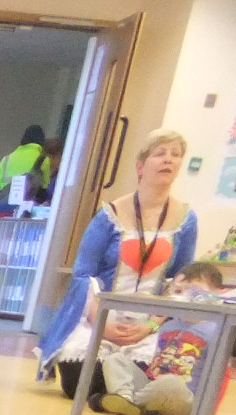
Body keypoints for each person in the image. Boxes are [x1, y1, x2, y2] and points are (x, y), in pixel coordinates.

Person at [38, 127, 200, 401]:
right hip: (101, 315)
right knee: (79, 381)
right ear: (140, 166)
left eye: (175, 154)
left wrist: (150, 326)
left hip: (149, 323)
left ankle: (124, 395)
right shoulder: (109, 215)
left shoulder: (186, 220)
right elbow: (83, 275)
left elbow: (182, 280)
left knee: (154, 371)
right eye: (160, 153)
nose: (168, 159)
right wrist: (101, 323)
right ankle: (121, 395)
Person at [98, 260, 227, 415]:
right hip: (152, 388)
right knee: (115, 359)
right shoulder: (168, 326)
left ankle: (132, 403)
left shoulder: (216, 330)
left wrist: (207, 411)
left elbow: (221, 376)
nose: (185, 297)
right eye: (178, 291)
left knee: (171, 382)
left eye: (195, 293)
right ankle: (124, 398)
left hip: (182, 399)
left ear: (218, 295)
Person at [0, 124, 49, 205]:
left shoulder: (6, 158)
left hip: (3, 204)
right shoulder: (43, 160)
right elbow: (43, 190)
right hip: (25, 206)